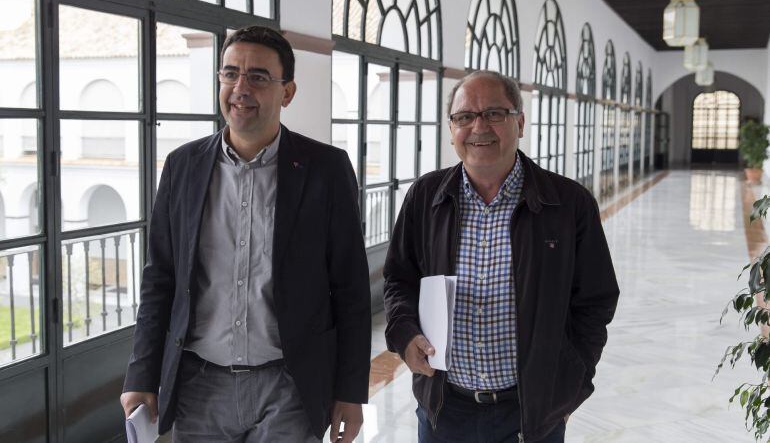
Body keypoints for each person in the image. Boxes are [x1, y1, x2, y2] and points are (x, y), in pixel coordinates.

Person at [120, 25, 371, 443]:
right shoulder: (183, 166)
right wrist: (141, 373)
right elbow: (160, 279)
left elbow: (350, 288)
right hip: (199, 388)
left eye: (258, 76)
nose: (240, 87)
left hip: (290, 387)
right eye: (230, 73)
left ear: (287, 92)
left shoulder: (325, 170)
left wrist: (349, 391)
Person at [383, 70, 619, 443]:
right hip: (444, 407)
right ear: (451, 129)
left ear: (519, 122)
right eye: (464, 117)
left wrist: (570, 383)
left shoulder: (568, 203)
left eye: (494, 113)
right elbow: (399, 279)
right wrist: (404, 332)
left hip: (530, 412)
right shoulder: (425, 197)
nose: (479, 127)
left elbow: (596, 299)